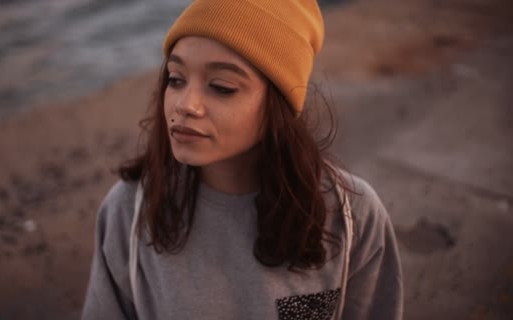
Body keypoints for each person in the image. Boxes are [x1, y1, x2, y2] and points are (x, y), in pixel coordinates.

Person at [81, 0, 403, 319]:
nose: (185, 105)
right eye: (176, 79)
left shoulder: (352, 217)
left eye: (222, 87)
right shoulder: (130, 210)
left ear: (279, 103)